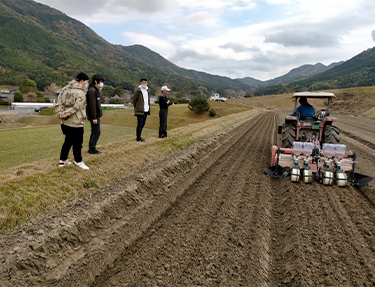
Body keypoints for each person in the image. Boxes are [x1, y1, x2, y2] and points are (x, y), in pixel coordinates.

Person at [56, 72, 90, 170]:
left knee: (68, 141)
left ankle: (62, 160)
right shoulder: (80, 92)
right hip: (76, 122)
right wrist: (66, 114)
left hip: (65, 122)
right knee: (78, 143)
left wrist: (61, 114)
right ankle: (78, 160)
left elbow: (59, 103)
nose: (87, 84)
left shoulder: (64, 89)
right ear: (82, 81)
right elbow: (77, 107)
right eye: (87, 82)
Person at [86, 74, 105, 154]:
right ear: (95, 81)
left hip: (96, 115)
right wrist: (94, 117)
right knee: (96, 132)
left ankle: (91, 148)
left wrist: (99, 115)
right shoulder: (92, 91)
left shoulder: (95, 90)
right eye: (100, 82)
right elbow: (92, 105)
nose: (101, 84)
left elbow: (97, 105)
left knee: (94, 131)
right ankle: (92, 149)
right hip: (93, 116)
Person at [133, 78, 150, 142]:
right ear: (140, 83)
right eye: (143, 82)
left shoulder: (147, 90)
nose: (144, 84)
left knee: (143, 123)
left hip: (146, 109)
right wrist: (137, 107)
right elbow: (134, 100)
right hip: (140, 110)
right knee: (140, 123)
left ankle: (140, 135)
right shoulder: (138, 91)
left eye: (145, 82)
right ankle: (138, 137)